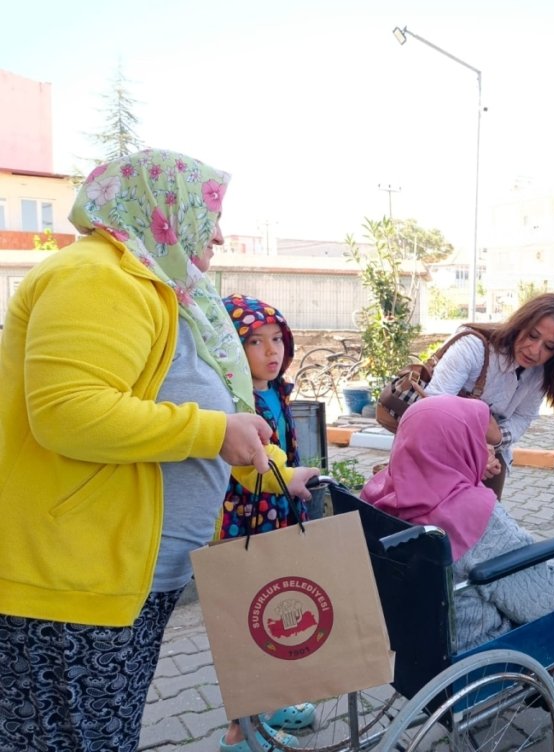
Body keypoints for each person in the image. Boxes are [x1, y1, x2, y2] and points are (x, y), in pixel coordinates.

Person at [0, 149, 281, 752]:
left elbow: (201, 410)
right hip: (72, 583)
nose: (221, 234)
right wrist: (212, 433)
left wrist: (275, 468)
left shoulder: (167, 291)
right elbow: (68, 410)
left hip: (127, 579)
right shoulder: (96, 276)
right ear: (163, 211)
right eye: (209, 214)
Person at [361, 395, 554, 705]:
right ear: (456, 446)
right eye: (477, 441)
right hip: (473, 645)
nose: (487, 451)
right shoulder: (470, 513)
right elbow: (539, 597)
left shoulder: (379, 495)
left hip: (410, 644)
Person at [218, 293, 322, 751]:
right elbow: (248, 461)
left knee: (278, 617)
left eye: (277, 339)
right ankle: (241, 733)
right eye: (254, 342)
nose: (271, 351)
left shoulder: (274, 392)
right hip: (242, 527)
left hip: (274, 520)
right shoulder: (235, 400)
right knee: (247, 626)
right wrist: (290, 475)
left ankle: (275, 705)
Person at [424, 292, 554, 497]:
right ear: (521, 323)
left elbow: (523, 417)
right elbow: (432, 407)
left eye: (549, 347)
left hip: (492, 459)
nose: (535, 350)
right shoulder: (473, 346)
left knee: (486, 523)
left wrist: (498, 438)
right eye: (533, 336)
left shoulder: (540, 374)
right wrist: (476, 445)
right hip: (437, 451)